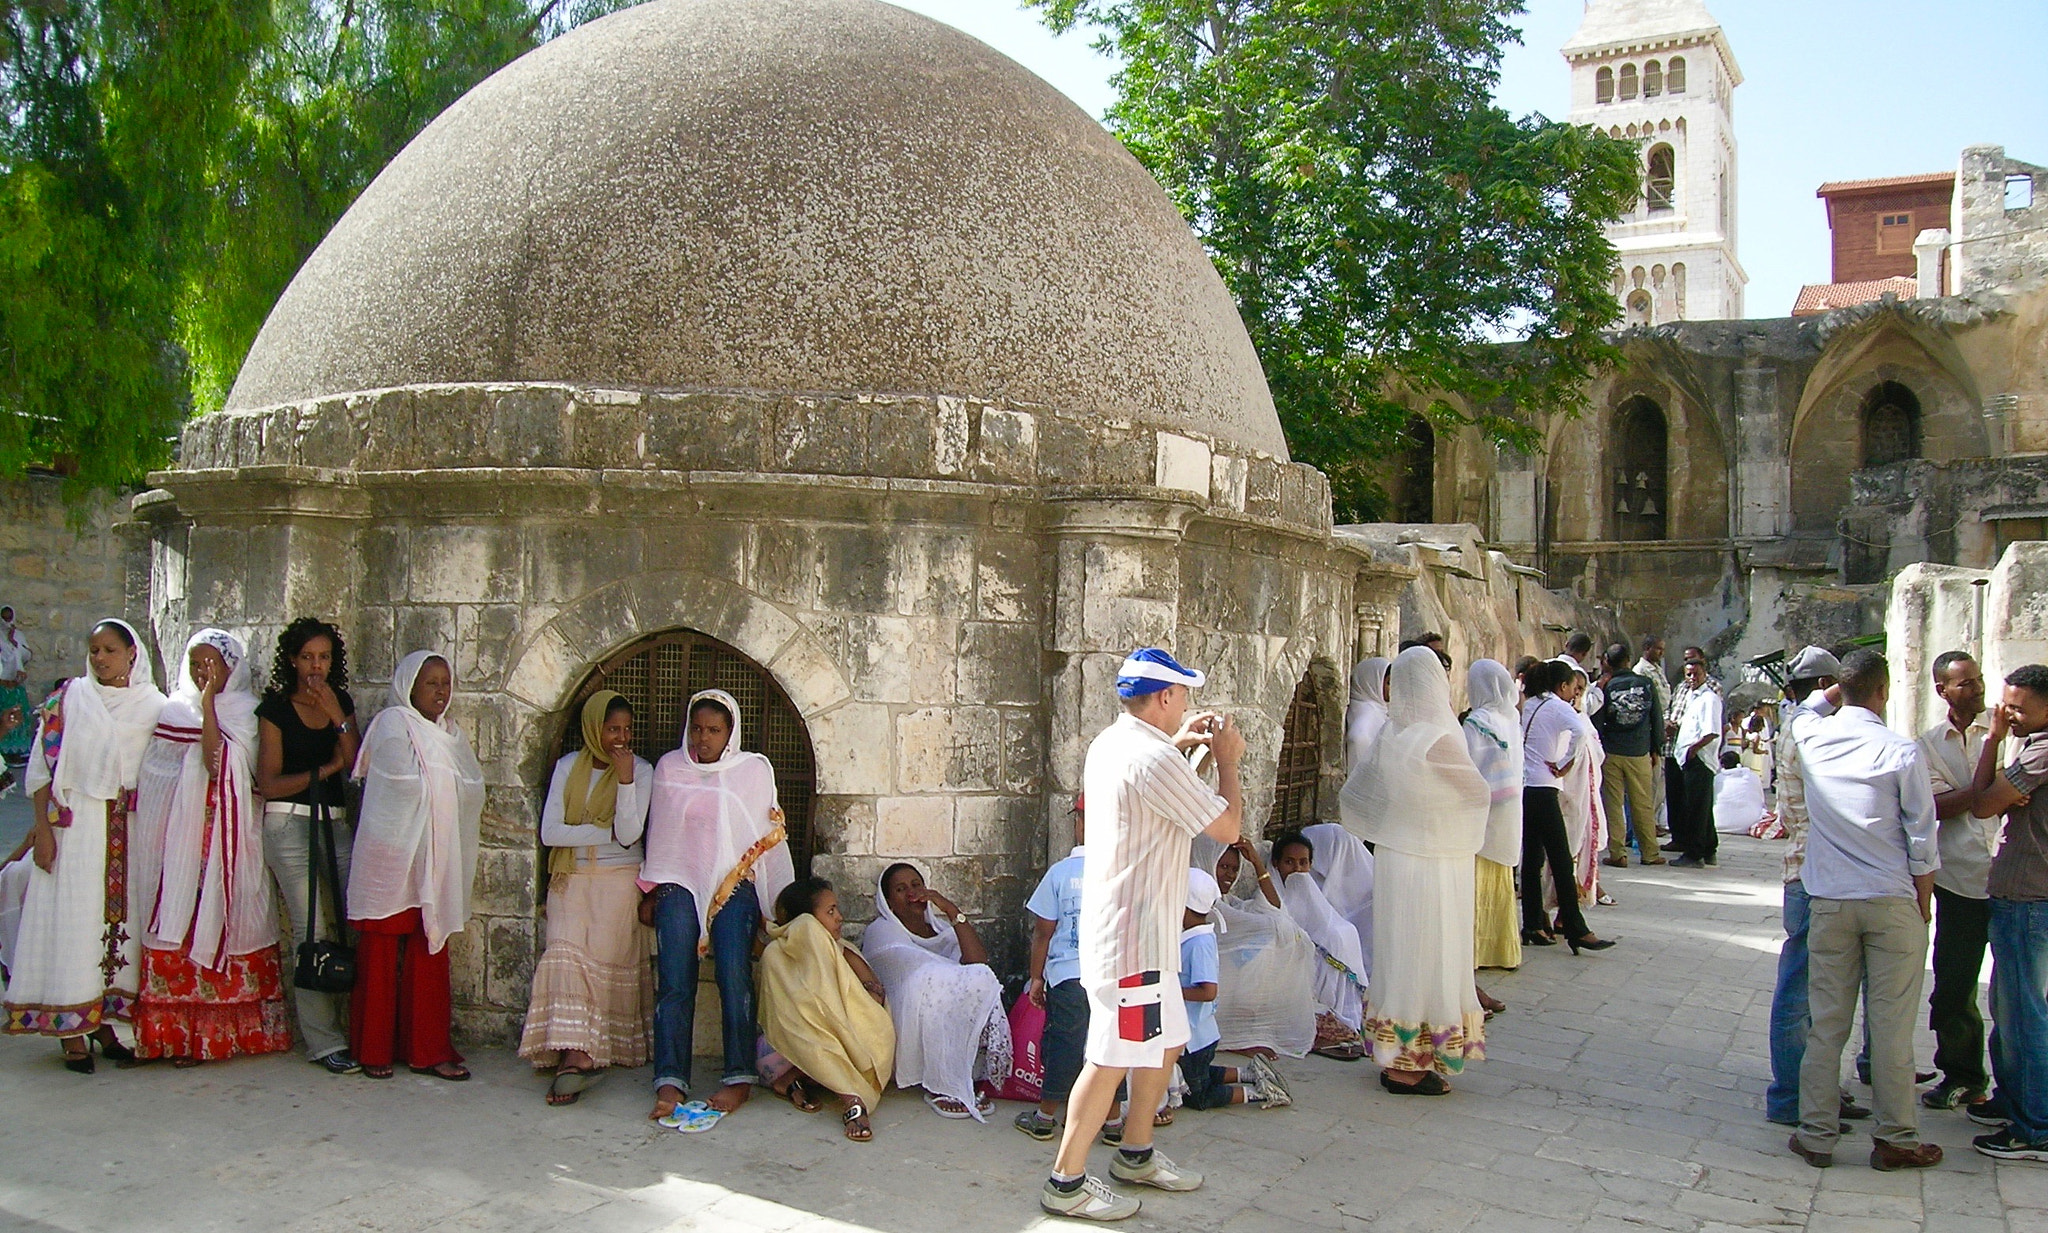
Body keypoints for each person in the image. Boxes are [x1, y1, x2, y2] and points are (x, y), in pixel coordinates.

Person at [1041, 647, 1242, 1223]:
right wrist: (1226, 760)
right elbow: (1225, 827)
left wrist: (1188, 750)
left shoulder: (1116, 743)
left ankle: (1135, 1153)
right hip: (1134, 939)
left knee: (1165, 1040)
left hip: (1141, 932)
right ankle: (1066, 1181)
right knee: (1110, 1058)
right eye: (1183, 696)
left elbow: (1162, 797)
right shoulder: (1153, 760)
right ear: (1165, 698)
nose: (1188, 707)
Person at [1788, 649, 1942, 1172]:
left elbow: (1801, 710)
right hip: (1890, 897)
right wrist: (1923, 899)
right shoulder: (1901, 751)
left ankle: (1816, 1134)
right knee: (1893, 1024)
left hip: (1831, 900)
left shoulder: (1812, 737)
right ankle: (1896, 1136)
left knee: (1826, 1024)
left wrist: (1833, 692)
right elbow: (1922, 834)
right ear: (1885, 690)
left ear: (1841, 689)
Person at [2, 619, 165, 1071]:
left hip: (129, 830)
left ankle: (112, 1026)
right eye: (94, 650)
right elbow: (39, 773)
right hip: (76, 830)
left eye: (109, 649)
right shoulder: (68, 701)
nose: (99, 658)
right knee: (73, 924)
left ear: (132, 653)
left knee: (121, 930)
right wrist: (43, 833)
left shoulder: (154, 706)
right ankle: (72, 1031)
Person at [129, 629, 288, 1064]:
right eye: (196, 664)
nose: (204, 673)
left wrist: (209, 710)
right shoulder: (173, 710)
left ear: (232, 666)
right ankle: (176, 1035)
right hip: (178, 848)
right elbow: (157, 775)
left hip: (229, 843)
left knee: (228, 917)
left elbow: (218, 761)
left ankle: (229, 1032)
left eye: (213, 664)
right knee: (178, 922)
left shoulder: (247, 712)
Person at [1341, 646, 1491, 1093]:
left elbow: (1364, 795)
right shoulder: (1436, 736)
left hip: (1397, 857)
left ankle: (1395, 1055)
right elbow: (1476, 794)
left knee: (1401, 952)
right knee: (1433, 952)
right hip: (1436, 864)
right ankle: (1410, 1065)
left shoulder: (1393, 734)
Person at [642, 689, 794, 1128]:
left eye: (713, 730)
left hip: (734, 885)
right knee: (673, 980)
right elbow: (663, 833)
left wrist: (771, 905)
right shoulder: (671, 768)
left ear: (731, 734)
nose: (702, 739)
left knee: (733, 974)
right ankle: (669, 1080)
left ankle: (739, 1076)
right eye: (697, 729)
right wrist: (651, 888)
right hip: (678, 882)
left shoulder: (751, 770)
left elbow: (764, 835)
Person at [347, 651, 485, 1081]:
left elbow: (472, 789)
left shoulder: (451, 735)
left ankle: (428, 1050)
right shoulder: (392, 724)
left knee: (431, 946)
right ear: (410, 686)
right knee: (381, 950)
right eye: (431, 683)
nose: (441, 692)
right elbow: (401, 785)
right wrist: (442, 790)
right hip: (394, 852)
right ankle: (373, 1050)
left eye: (446, 683)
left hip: (436, 854)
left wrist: (444, 791)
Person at [520, 690, 654, 1104]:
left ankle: (584, 1055)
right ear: (594, 728)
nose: (620, 738)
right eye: (612, 729)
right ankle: (573, 1055)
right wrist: (603, 833)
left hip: (619, 881)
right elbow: (550, 832)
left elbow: (631, 834)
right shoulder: (567, 767)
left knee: (603, 962)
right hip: (571, 876)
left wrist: (626, 779)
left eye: (627, 730)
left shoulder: (641, 770)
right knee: (565, 953)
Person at [1762, 646, 1870, 1128]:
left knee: (1820, 990)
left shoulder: (1802, 725)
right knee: (1801, 990)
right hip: (1814, 872)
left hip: (1812, 870)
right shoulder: (1809, 732)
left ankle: (1814, 1086)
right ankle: (1792, 1095)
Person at [254, 617, 361, 1074]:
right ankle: (324, 1042)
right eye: (307, 657)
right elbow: (269, 784)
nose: (315, 666)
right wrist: (324, 772)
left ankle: (363, 1031)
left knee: (356, 919)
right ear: (292, 661)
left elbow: (356, 764)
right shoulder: (275, 709)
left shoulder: (342, 703)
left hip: (335, 824)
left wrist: (338, 717)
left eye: (324, 657)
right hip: (289, 825)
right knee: (311, 929)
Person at [1963, 664, 2048, 1160]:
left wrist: (1993, 740)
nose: (2006, 713)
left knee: (2025, 1015)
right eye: (2005, 703)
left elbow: (1982, 804)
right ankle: (2014, 1099)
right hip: (2020, 896)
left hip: (2029, 899)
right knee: (2010, 1009)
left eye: (2018, 707)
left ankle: (2034, 1126)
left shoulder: (2040, 753)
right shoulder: (2032, 745)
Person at [863, 861, 1011, 1120]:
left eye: (916, 885)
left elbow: (979, 964)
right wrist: (953, 981)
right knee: (931, 981)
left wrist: (951, 910)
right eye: (901, 889)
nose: (911, 893)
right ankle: (940, 1081)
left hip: (944, 1005)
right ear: (888, 901)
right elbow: (912, 972)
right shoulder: (882, 931)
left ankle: (964, 1075)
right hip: (906, 1012)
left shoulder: (942, 931)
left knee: (982, 980)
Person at [1912, 651, 1995, 1113]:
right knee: (1954, 986)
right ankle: (1962, 1076)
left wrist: (1976, 795)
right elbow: (1939, 807)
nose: (1977, 689)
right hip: (1960, 880)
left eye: (1978, 679)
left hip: (2011, 878)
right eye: (1965, 683)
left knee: (2017, 991)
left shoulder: (2007, 736)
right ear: (1943, 689)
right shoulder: (1927, 746)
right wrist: (1986, 792)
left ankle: (2017, 1084)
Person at [757, 876, 894, 1142]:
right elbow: (786, 1020)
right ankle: (852, 1100)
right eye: (830, 912)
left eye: (837, 909)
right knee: (817, 1036)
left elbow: (874, 995)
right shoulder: (776, 956)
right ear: (802, 924)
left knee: (851, 1035)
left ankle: (794, 1081)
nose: (840, 917)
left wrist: (850, 1011)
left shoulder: (842, 951)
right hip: (783, 1056)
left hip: (848, 1043)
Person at [1517, 660, 1614, 953]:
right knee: (1560, 858)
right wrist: (1564, 763)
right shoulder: (1557, 706)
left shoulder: (1531, 704)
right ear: (1561, 686)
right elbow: (1580, 733)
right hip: (1546, 787)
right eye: (1573, 686)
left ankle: (1532, 922)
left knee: (1532, 860)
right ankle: (1575, 926)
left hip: (1527, 787)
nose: (1575, 692)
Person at [1190, 836, 1317, 1059]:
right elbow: (1268, 925)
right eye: (1223, 867)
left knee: (1287, 934)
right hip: (1199, 984)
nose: (1230, 874)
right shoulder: (1198, 903)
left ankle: (1250, 1031)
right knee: (1271, 936)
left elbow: (1275, 910)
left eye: (1234, 869)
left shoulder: (1228, 902)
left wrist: (1257, 864)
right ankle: (1239, 1036)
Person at [1019, 797, 1100, 1141]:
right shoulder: (1120, 872)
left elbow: (1043, 931)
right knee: (1106, 1051)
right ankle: (1110, 1124)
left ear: (1079, 823)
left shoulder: (1060, 873)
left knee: (1063, 1045)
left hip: (1068, 977)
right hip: (1110, 977)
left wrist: (1037, 977)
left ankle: (1044, 1117)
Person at [1176, 868, 1287, 1111]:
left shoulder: (1198, 943)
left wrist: (1172, 990)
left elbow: (1208, 992)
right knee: (1198, 1072)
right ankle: (1247, 1074)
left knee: (1198, 1095)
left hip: (1196, 1035)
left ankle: (1258, 1093)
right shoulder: (1193, 936)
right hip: (1194, 1034)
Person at [1264, 830, 1367, 1059]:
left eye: (1303, 863)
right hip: (1290, 981)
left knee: (1343, 935)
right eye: (1289, 862)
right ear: (1276, 863)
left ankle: (1341, 1011)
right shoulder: (1270, 892)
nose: (1297, 870)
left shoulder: (1311, 890)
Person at [1463, 659, 1523, 976]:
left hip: (1484, 814)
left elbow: (1469, 770)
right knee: (1498, 881)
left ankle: (1476, 950)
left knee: (1477, 883)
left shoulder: (1478, 722)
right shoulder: (1510, 719)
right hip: (1509, 815)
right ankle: (1502, 949)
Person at [1595, 644, 1664, 866]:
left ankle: (1618, 853)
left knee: (1613, 803)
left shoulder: (1607, 686)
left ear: (1607, 660)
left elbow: (1598, 721)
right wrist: (1656, 749)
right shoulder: (1646, 683)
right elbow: (1656, 719)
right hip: (1640, 751)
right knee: (1642, 802)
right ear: (1628, 660)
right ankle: (1650, 853)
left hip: (1612, 751)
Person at [1668, 658, 1725, 867]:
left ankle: (1694, 853)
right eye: (1688, 674)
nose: (1692, 678)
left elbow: (1711, 731)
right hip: (1687, 758)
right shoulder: (1692, 696)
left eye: (1696, 674)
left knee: (1695, 809)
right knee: (1702, 807)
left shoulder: (1709, 698)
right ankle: (1709, 848)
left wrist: (1694, 749)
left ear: (1704, 674)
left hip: (1699, 759)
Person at [0, 605, 33, 789]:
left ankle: (17, 752)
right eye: (4, 618)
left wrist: (14, 642)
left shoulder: (18, 635)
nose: (7, 621)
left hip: (15, 685)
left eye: (9, 617)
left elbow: (26, 655)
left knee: (17, 719)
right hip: (2, 685)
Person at [1344, 657, 1391, 774]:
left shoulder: (1377, 708)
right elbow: (1358, 738)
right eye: (1389, 682)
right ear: (1373, 681)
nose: (1392, 688)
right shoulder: (1368, 710)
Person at [1713, 749, 1767, 835]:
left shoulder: (1717, 779)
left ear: (1722, 764)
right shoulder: (1752, 776)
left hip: (1718, 823)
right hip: (1748, 824)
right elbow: (1760, 799)